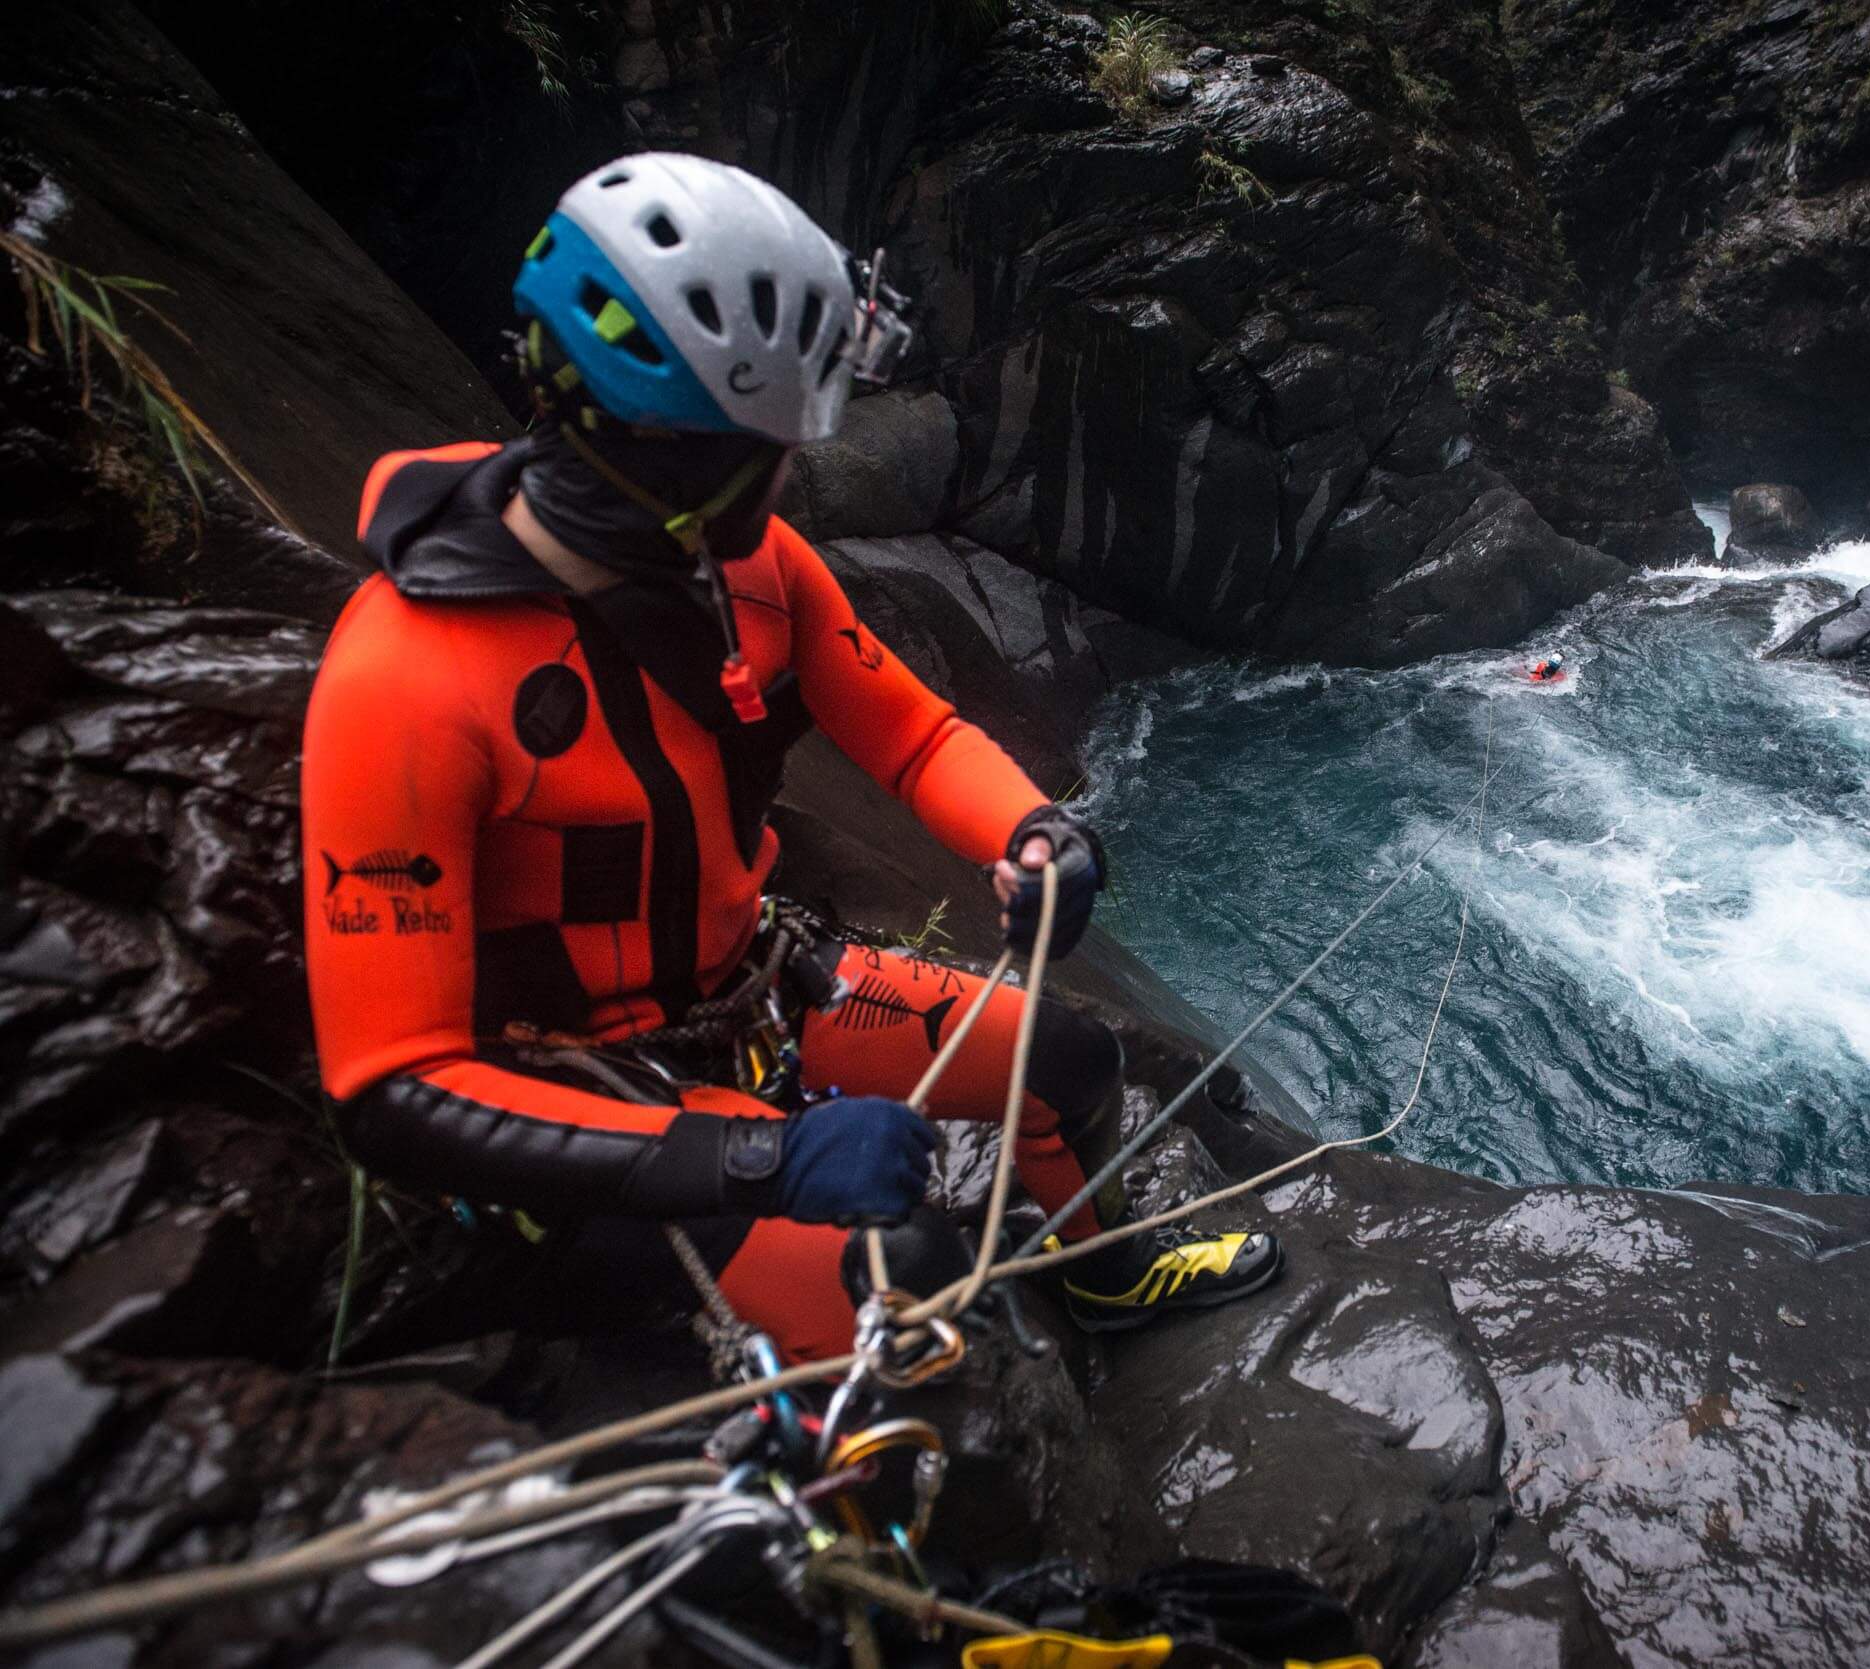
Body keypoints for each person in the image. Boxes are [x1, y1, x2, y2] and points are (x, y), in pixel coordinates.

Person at [301, 153, 1279, 1356]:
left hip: (749, 994)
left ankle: (1104, 1273)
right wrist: (758, 1155)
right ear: (683, 457)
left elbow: (917, 738)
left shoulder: (755, 574)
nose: (792, 465)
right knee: (912, 1287)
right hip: (577, 1103)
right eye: (769, 439)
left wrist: (1037, 832)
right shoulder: (404, 678)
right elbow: (394, 1089)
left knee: (1068, 1056)